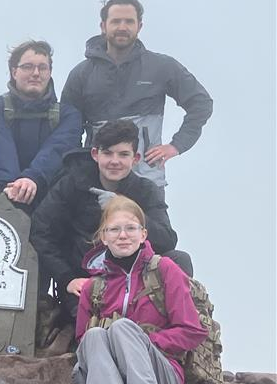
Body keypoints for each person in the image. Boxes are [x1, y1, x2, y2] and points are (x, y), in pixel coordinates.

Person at [73, 196, 206, 384]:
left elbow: (192, 331)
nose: (123, 235)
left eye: (131, 228)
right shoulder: (92, 287)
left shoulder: (165, 270)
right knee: (95, 335)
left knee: (123, 329)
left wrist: (141, 340)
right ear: (103, 237)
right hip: (108, 381)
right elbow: (82, 343)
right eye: (114, 229)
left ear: (143, 233)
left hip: (160, 377)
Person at [31, 120, 192, 321]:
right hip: (85, 281)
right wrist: (67, 279)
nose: (115, 161)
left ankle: (182, 325)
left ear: (136, 158)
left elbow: (167, 239)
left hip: (135, 280)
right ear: (95, 154)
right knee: (95, 327)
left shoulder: (146, 190)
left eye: (123, 154)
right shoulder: (71, 185)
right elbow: (41, 232)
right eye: (107, 153)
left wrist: (123, 208)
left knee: (179, 259)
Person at [61, 0, 213, 191]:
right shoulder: (81, 74)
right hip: (97, 182)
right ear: (103, 26)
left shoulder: (162, 67)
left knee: (154, 225)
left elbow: (201, 104)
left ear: (139, 26)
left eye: (129, 21)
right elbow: (66, 128)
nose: (122, 27)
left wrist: (177, 145)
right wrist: (77, 170)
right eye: (115, 21)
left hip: (147, 181)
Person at [0, 40, 82, 208]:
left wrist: (32, 178)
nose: (36, 73)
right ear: (14, 72)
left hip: (52, 202)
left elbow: (57, 149)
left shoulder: (69, 115)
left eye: (42, 68)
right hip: (4, 195)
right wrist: (12, 187)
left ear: (50, 73)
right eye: (27, 67)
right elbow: (1, 149)